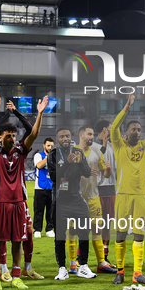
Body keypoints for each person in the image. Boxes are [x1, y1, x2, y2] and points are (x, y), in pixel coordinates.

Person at [0, 92, 48, 290]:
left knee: (17, 242)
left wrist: (40, 114)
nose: (12, 139)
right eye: (8, 136)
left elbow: (34, 134)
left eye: (14, 136)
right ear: (0, 137)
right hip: (0, 204)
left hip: (19, 204)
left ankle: (16, 276)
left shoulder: (21, 153)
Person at [110, 92, 145, 285]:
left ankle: (137, 273)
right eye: (134, 129)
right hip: (123, 196)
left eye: (139, 129)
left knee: (139, 234)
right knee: (120, 234)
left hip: (141, 196)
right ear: (126, 133)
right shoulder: (119, 145)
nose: (138, 132)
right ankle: (120, 271)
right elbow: (115, 126)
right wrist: (127, 106)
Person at [48, 128, 97, 281]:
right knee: (60, 236)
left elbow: (88, 173)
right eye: (62, 136)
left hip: (77, 199)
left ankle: (83, 266)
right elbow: (54, 177)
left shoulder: (78, 152)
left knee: (84, 232)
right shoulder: (53, 155)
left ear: (71, 137)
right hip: (60, 200)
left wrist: (80, 162)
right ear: (58, 139)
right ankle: (62, 268)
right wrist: (66, 164)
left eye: (67, 136)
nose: (65, 138)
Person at [74, 126, 115, 274]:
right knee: (74, 230)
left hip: (93, 197)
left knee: (97, 230)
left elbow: (105, 175)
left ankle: (101, 262)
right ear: (81, 135)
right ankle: (74, 264)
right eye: (89, 134)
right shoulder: (72, 151)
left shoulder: (97, 151)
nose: (92, 137)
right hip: (76, 199)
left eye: (92, 134)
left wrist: (108, 169)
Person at [93, 119, 116, 266]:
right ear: (104, 130)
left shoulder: (114, 147)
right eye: (110, 129)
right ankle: (79, 259)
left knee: (107, 226)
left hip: (111, 190)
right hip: (96, 191)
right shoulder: (93, 147)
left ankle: (104, 257)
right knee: (93, 226)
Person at [33, 138, 55, 238]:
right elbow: (39, 165)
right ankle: (37, 229)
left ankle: (49, 229)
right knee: (38, 209)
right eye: (48, 146)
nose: (50, 148)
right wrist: (48, 157)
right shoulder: (38, 155)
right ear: (44, 146)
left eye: (52, 146)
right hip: (40, 187)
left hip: (52, 187)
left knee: (51, 210)